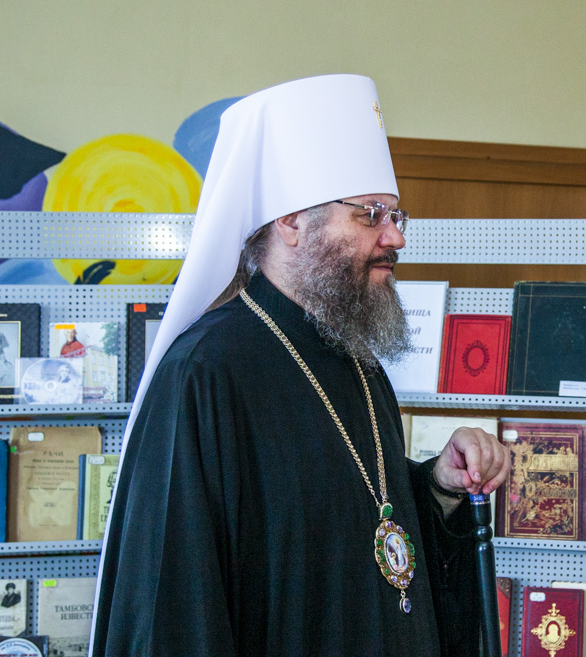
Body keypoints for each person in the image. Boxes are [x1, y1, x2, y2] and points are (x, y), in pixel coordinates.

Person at [90, 75, 510, 656]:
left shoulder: (359, 361)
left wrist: (438, 486)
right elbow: (174, 600)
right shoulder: (204, 374)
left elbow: (362, 524)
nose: (395, 237)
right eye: (370, 215)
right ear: (290, 220)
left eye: (396, 216)